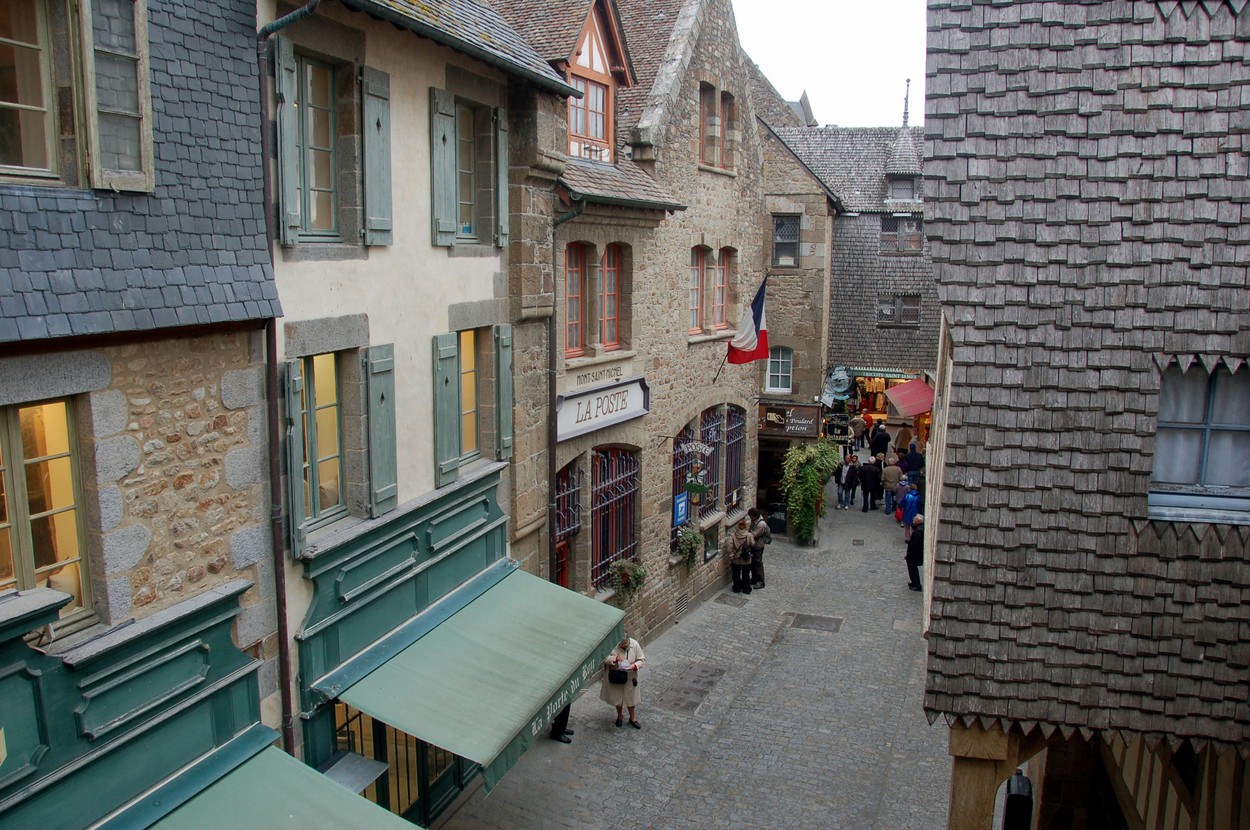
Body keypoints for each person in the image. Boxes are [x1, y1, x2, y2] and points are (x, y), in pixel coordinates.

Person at [600, 633, 645, 728]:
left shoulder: (635, 644)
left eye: (626, 644)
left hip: (630, 677)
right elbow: (604, 658)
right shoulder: (612, 644)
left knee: (631, 698)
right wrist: (615, 659)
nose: (624, 646)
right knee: (618, 698)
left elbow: (641, 659)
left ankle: (633, 718)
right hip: (616, 676)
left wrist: (635, 665)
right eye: (622, 644)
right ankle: (619, 716)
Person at [724, 516, 754, 594]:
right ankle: (746, 589)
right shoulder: (749, 535)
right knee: (746, 574)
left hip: (736, 558)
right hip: (746, 558)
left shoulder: (733, 536)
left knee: (736, 574)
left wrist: (731, 554)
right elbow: (752, 544)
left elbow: (729, 545)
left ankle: (737, 588)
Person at [747, 507, 770, 589]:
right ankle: (754, 579)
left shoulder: (760, 524)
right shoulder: (755, 521)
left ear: (755, 516)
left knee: (758, 563)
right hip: (754, 545)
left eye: (751, 516)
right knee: (753, 563)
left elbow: (753, 534)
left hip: (758, 546)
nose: (750, 518)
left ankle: (761, 581)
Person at [905, 514, 924, 591]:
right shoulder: (919, 529)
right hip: (915, 553)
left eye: (914, 520)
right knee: (912, 568)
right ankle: (914, 582)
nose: (913, 521)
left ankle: (916, 584)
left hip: (914, 554)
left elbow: (914, 544)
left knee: (913, 568)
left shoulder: (918, 532)